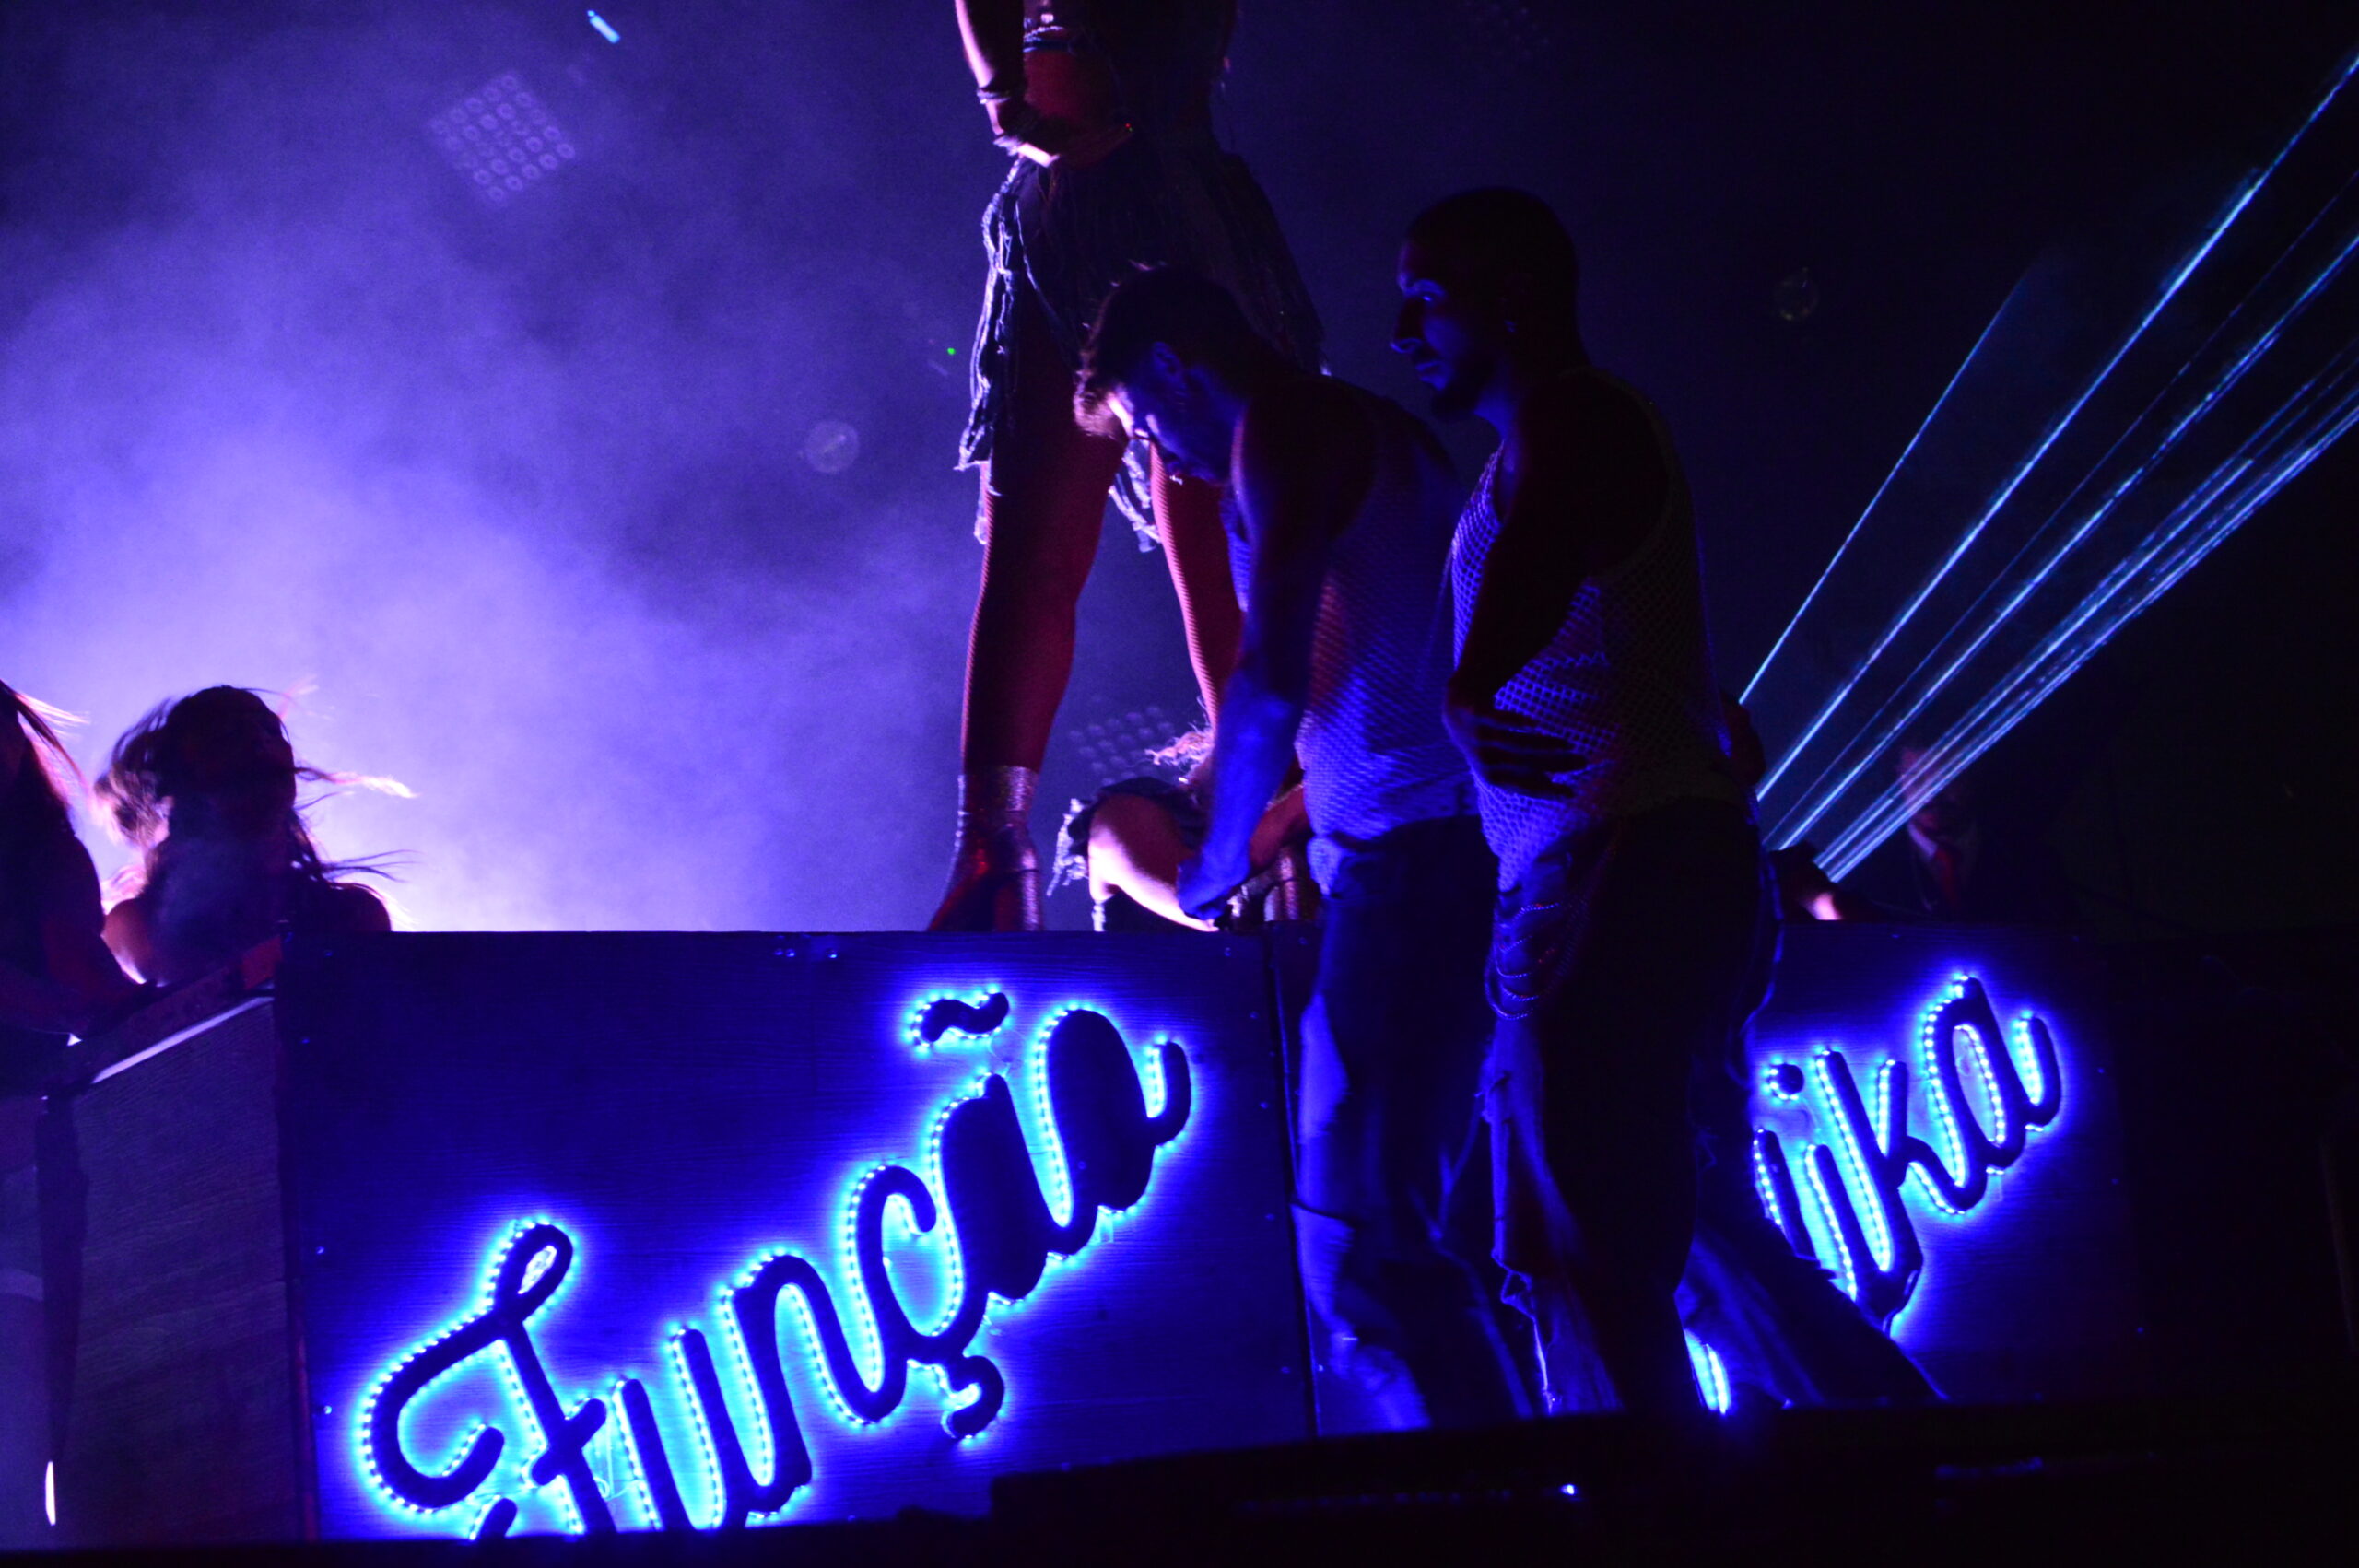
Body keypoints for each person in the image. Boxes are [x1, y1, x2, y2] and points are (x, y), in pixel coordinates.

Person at [1396, 189, 1927, 1415]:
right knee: (1698, 1247)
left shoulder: (1574, 415)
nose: (1402, 325)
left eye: (1429, 293)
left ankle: (1653, 1519)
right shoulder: (1553, 440)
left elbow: (1535, 573)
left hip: (1613, 871)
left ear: (1512, 300)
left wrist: (1474, 690)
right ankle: (1924, 1475)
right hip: (1646, 866)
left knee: (1588, 1255)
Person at [1078, 266, 1523, 1427]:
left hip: (1415, 865)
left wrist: (1213, 862)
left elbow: (1269, 674)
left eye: (1142, 422)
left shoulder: (1287, 424)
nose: (1158, 458)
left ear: (1174, 364)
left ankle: (1508, 1518)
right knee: (1412, 1244)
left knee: (1371, 1256)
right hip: (1451, 851)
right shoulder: (1376, 427)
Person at [935, 0, 1323, 930]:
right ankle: (995, 850)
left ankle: (1270, 820)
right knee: (1059, 545)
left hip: (1169, 180)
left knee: (1217, 532)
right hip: (1103, 182)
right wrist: (1012, 108)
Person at [0, 683, 136, 1550]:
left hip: (24, 1147)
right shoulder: (44, 857)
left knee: (24, 1424)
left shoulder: (44, 859)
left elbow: (87, 998)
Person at [95, 688, 394, 987]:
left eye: (270, 729)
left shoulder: (352, 915)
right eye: (228, 733)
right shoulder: (139, 927)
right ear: (184, 770)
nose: (258, 742)